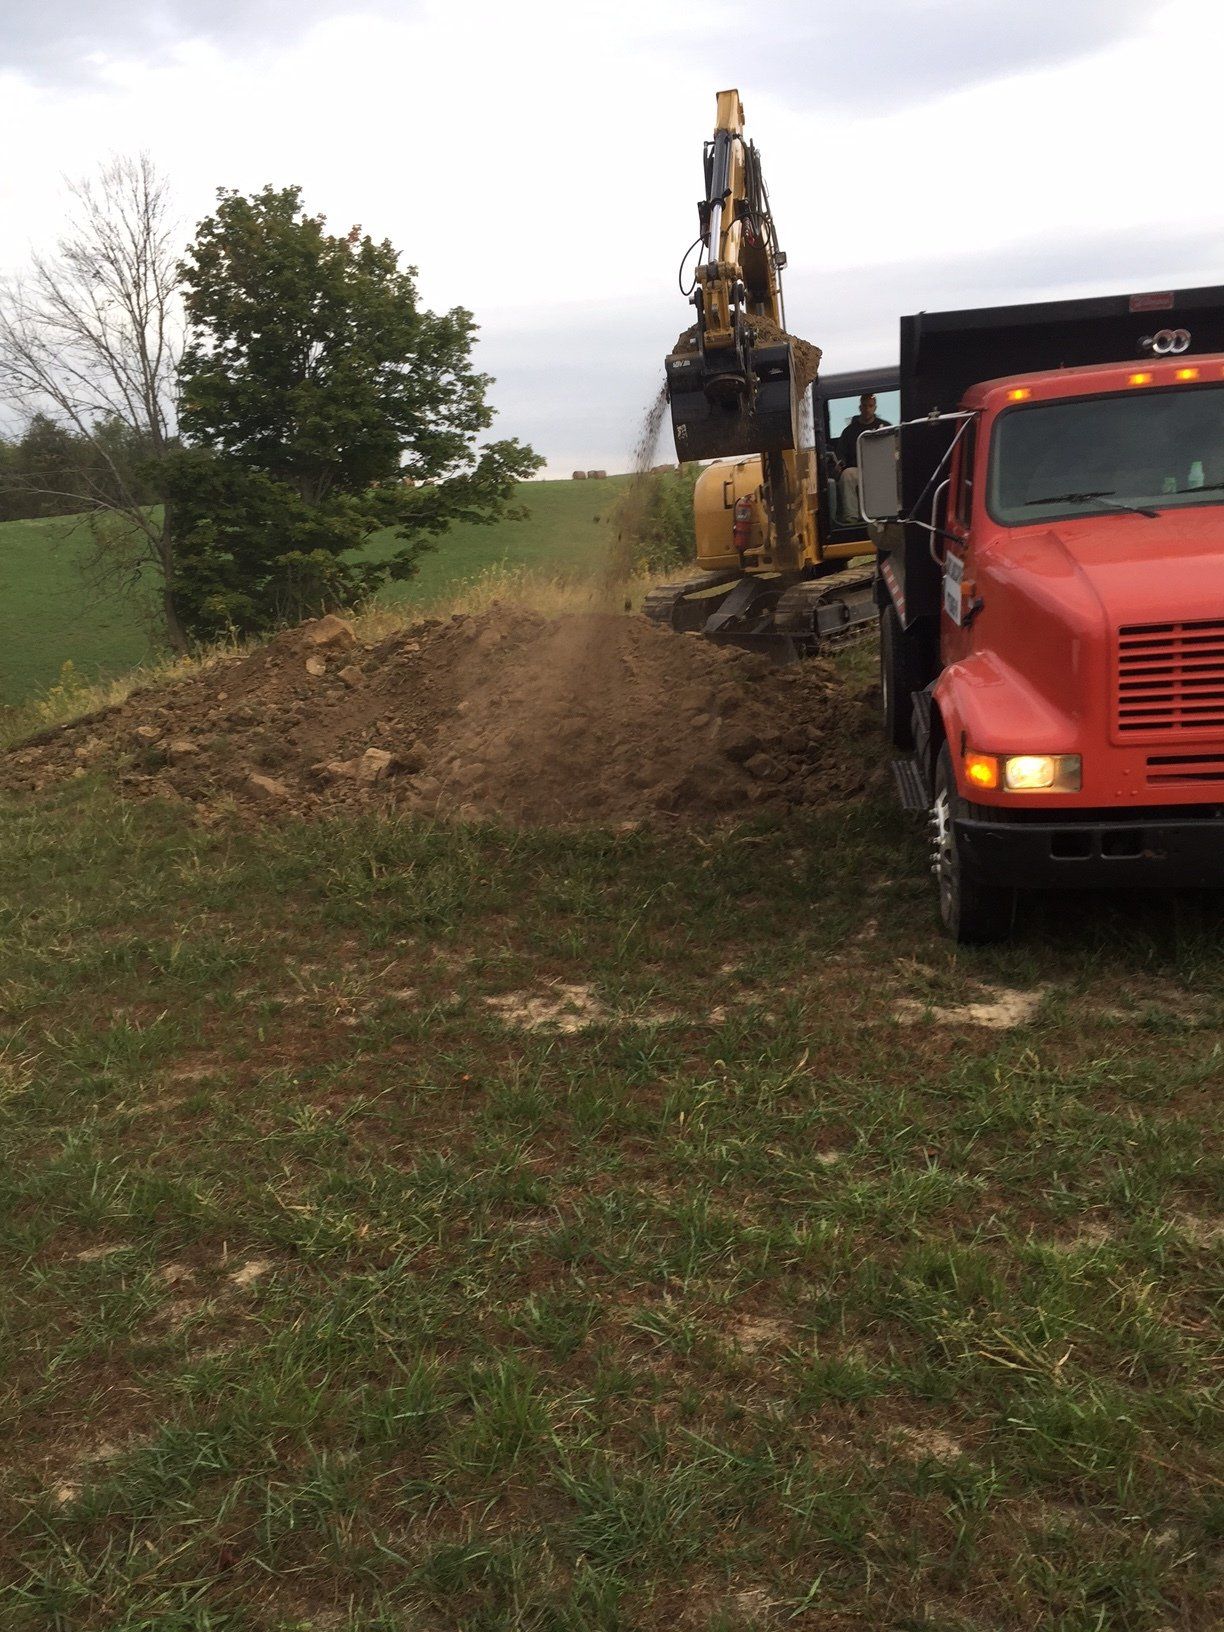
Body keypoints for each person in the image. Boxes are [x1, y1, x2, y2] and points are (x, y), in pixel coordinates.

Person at [834, 393, 891, 521]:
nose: (867, 409)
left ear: (875, 408)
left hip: (881, 470)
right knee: (847, 475)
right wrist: (840, 464)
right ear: (860, 408)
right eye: (864, 406)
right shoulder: (849, 431)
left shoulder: (886, 427)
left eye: (870, 406)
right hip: (858, 469)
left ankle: (888, 516)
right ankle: (851, 518)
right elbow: (841, 454)